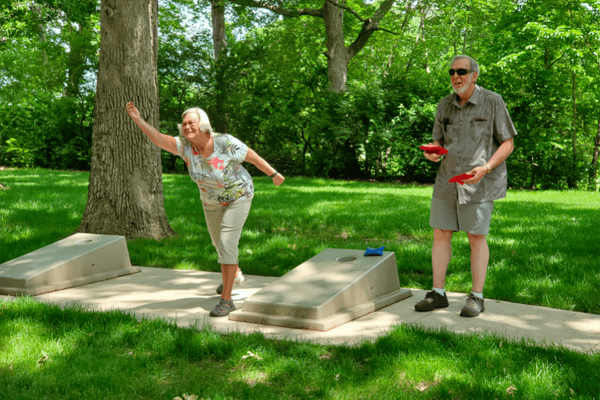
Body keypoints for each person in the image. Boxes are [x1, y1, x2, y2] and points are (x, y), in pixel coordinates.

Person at [126, 101, 284, 317]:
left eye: (191, 122)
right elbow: (159, 139)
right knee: (219, 244)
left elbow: (252, 157)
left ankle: (226, 300)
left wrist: (274, 175)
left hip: (239, 196)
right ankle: (234, 274)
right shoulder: (185, 147)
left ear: (203, 123)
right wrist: (139, 120)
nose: (187, 126)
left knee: (228, 243)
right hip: (211, 202)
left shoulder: (224, 142)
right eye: (184, 124)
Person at [414, 55, 516, 317]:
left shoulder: (492, 101)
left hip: (480, 182)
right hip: (447, 180)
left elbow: (508, 143)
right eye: (451, 72)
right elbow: (437, 141)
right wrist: (433, 153)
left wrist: (486, 168)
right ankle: (438, 293)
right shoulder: (443, 105)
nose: (456, 76)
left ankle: (477, 297)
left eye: (462, 71)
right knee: (440, 232)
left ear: (474, 75)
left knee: (476, 236)